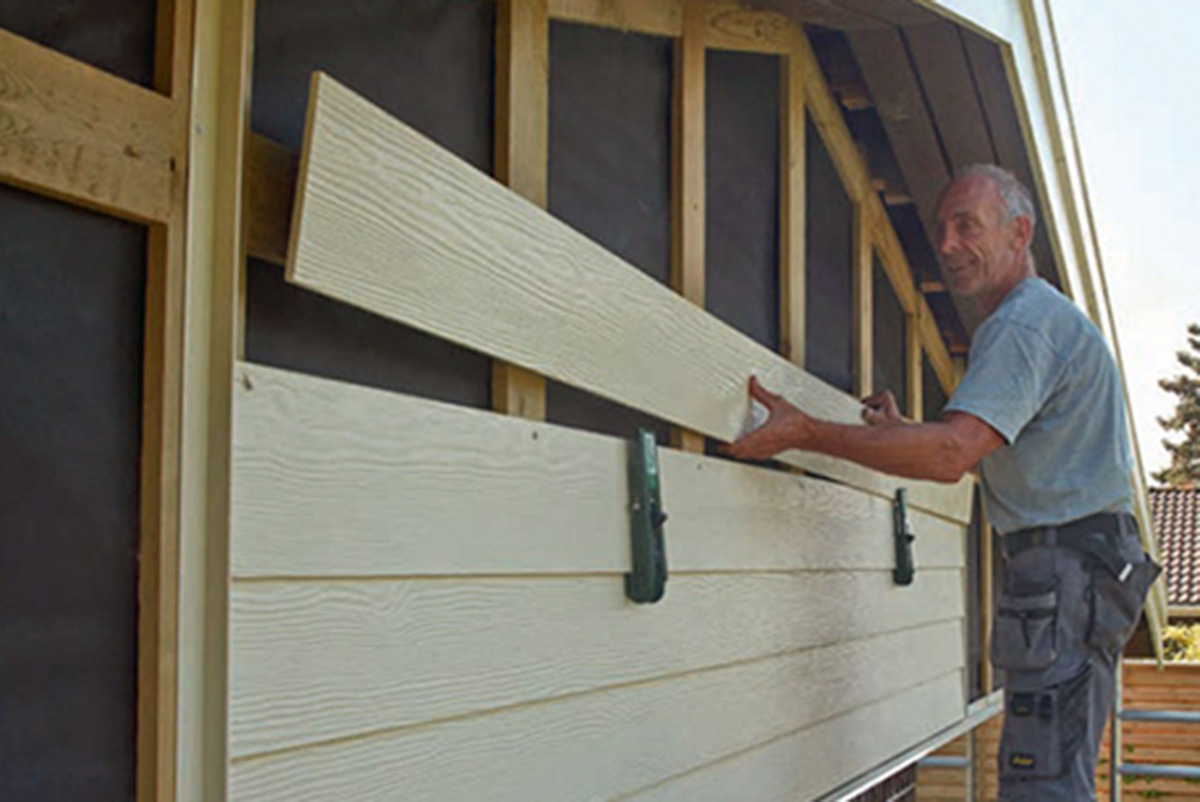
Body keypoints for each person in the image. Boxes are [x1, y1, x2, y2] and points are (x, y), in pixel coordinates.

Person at [725, 164, 1159, 801]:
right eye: (942, 229)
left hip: (1066, 574)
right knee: (1055, 778)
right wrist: (906, 433)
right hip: (1088, 573)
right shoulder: (1046, 321)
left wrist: (805, 431)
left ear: (1019, 233)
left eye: (967, 226)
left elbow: (952, 453)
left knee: (1042, 788)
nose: (948, 244)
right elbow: (1006, 454)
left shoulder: (1020, 326)